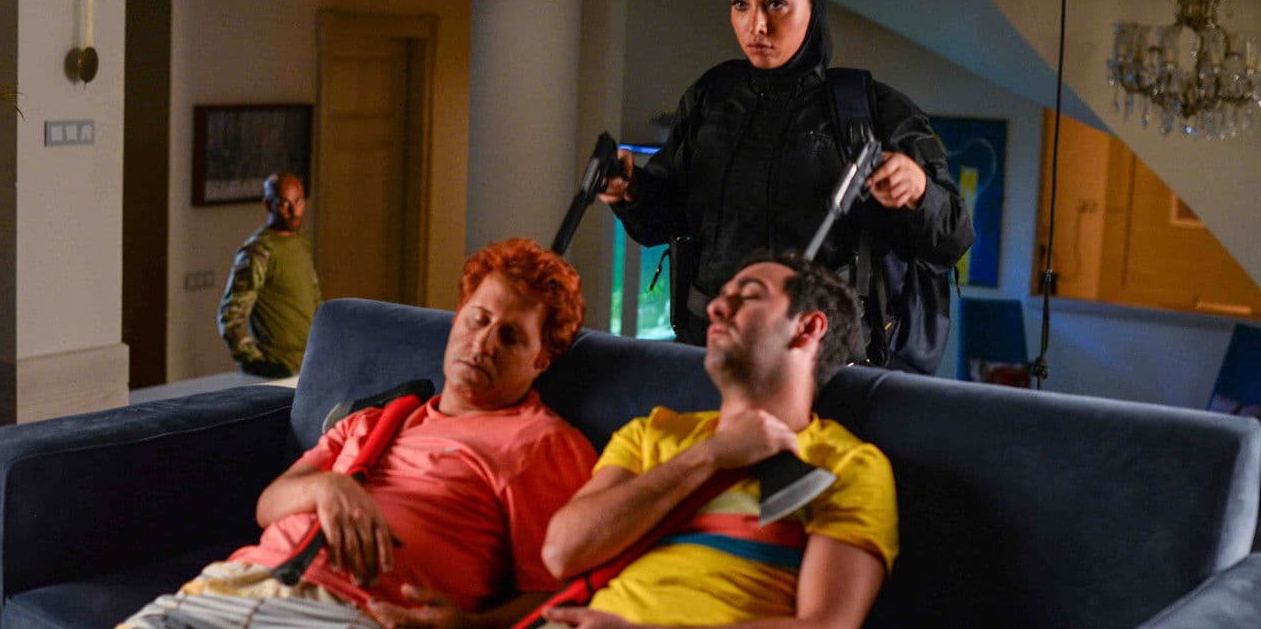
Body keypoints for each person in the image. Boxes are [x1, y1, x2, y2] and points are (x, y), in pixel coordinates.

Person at [123, 238, 599, 629]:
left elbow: (559, 589)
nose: (483, 343)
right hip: (238, 583)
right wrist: (326, 487)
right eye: (478, 319)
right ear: (458, 317)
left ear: (541, 359)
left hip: (352, 611)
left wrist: (472, 627)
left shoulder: (540, 443)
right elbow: (269, 505)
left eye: (511, 336)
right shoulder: (376, 420)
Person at [600, 0, 974, 361]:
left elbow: (954, 236)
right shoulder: (711, 97)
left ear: (813, 7)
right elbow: (666, 219)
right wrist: (631, 192)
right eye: (740, 4)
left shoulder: (871, 108)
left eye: (776, 3)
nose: (756, 25)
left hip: (823, 361)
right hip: (711, 350)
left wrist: (919, 192)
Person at [539, 253, 897, 629]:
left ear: (807, 328)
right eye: (722, 295)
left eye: (750, 296)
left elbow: (825, 624)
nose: (715, 307)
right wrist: (711, 453)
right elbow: (562, 553)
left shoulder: (847, 464)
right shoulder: (651, 432)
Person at [217, 171, 323, 378]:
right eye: (284, 203)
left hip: (310, 366)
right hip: (278, 370)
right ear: (268, 205)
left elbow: (315, 299)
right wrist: (256, 363)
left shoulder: (301, 244)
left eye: (298, 201)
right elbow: (230, 318)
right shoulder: (258, 251)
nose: (294, 211)